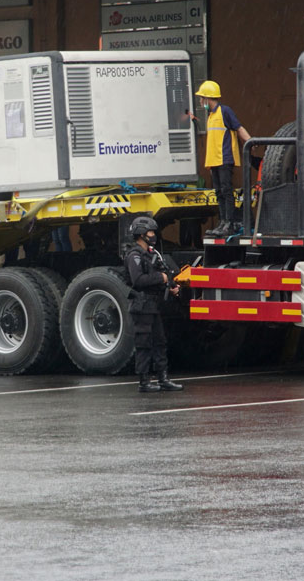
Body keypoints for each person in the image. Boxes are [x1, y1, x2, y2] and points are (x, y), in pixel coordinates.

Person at [124, 215, 183, 393]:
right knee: (144, 343)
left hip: (154, 305)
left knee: (160, 342)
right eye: (150, 232)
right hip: (142, 305)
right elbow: (138, 280)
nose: (153, 235)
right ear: (141, 234)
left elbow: (163, 274)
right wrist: (161, 277)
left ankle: (163, 378)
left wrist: (170, 286)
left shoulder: (152, 253)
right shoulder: (134, 255)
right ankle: (144, 381)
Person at [192, 80, 251, 237]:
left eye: (201, 98)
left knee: (226, 190)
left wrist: (251, 142)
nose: (200, 101)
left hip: (224, 159)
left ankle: (229, 223)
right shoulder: (211, 116)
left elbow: (238, 128)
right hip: (214, 161)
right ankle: (223, 222)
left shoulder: (225, 112)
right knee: (219, 192)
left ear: (207, 98)